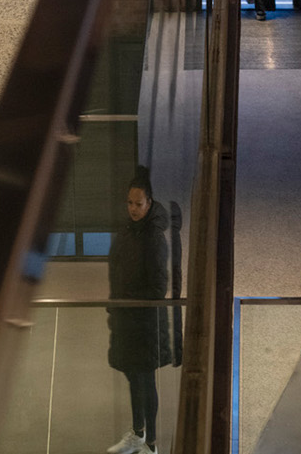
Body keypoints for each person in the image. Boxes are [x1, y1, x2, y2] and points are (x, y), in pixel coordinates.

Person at [107, 166, 173, 454]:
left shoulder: (154, 238)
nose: (133, 208)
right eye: (130, 203)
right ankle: (139, 433)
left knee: (144, 379)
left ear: (149, 203)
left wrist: (128, 301)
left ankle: (151, 442)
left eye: (139, 203)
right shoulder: (124, 233)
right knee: (134, 376)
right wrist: (116, 307)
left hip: (144, 321)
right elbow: (115, 272)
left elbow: (158, 287)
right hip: (125, 318)